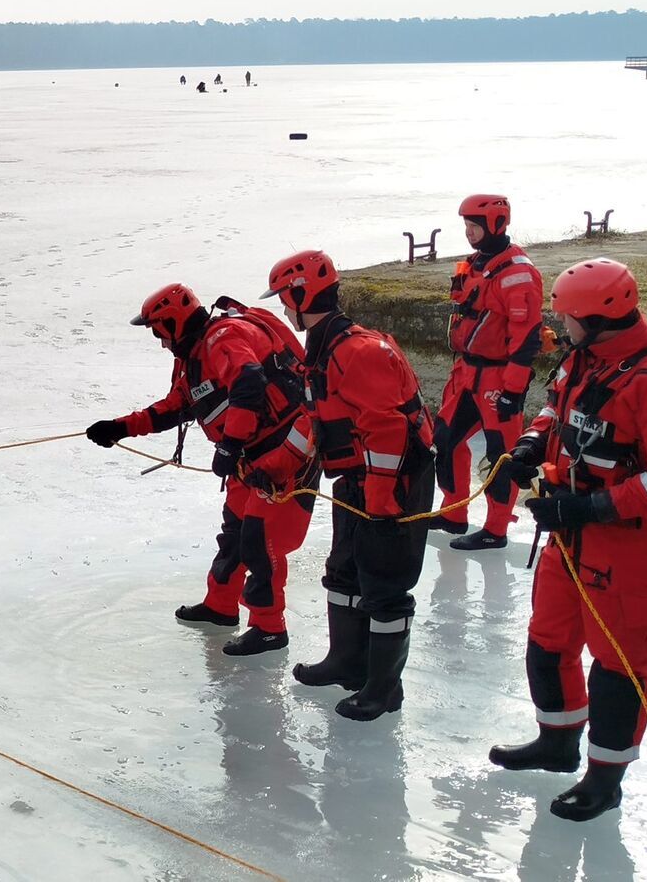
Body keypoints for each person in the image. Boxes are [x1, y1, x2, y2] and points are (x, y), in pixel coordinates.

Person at [489, 258, 647, 822]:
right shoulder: (585, 358)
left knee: (617, 669)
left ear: (601, 318)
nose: (560, 327)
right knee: (548, 643)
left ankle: (604, 780)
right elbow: (553, 409)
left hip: (630, 550)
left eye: (567, 317)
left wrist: (589, 507)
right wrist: (532, 447)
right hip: (571, 535)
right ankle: (557, 744)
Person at [85, 283, 318, 655]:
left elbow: (249, 381)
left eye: (159, 332)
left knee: (261, 540)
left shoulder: (223, 339)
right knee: (236, 533)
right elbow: (177, 405)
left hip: (285, 449)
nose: (160, 342)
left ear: (174, 323)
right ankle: (221, 608)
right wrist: (120, 428)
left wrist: (229, 444)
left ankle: (270, 628)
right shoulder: (195, 354)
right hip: (251, 454)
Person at [258, 250, 435, 721]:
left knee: (384, 584)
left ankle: (383, 688)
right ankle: (346, 662)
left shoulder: (356, 352)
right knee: (344, 571)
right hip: (359, 479)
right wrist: (278, 465)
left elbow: (388, 430)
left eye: (283, 299)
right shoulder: (323, 351)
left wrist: (380, 499)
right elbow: (316, 421)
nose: (282, 308)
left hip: (395, 479)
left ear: (301, 295)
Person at [433, 194, 544, 550]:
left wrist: (513, 390)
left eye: (474, 226)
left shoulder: (518, 274)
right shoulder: (476, 265)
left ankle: (496, 529)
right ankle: (453, 512)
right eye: (465, 226)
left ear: (496, 224)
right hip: (467, 372)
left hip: (499, 377)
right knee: (446, 439)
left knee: (501, 454)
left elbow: (526, 338)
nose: (468, 233)